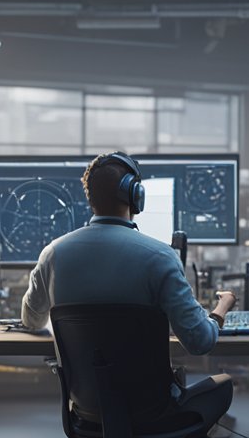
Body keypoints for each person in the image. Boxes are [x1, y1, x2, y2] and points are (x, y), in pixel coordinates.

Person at [21, 151, 237, 354]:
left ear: (90, 198)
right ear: (136, 196)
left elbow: (31, 321)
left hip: (82, 394)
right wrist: (222, 306)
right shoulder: (161, 257)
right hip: (149, 394)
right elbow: (199, 341)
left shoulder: (52, 254)